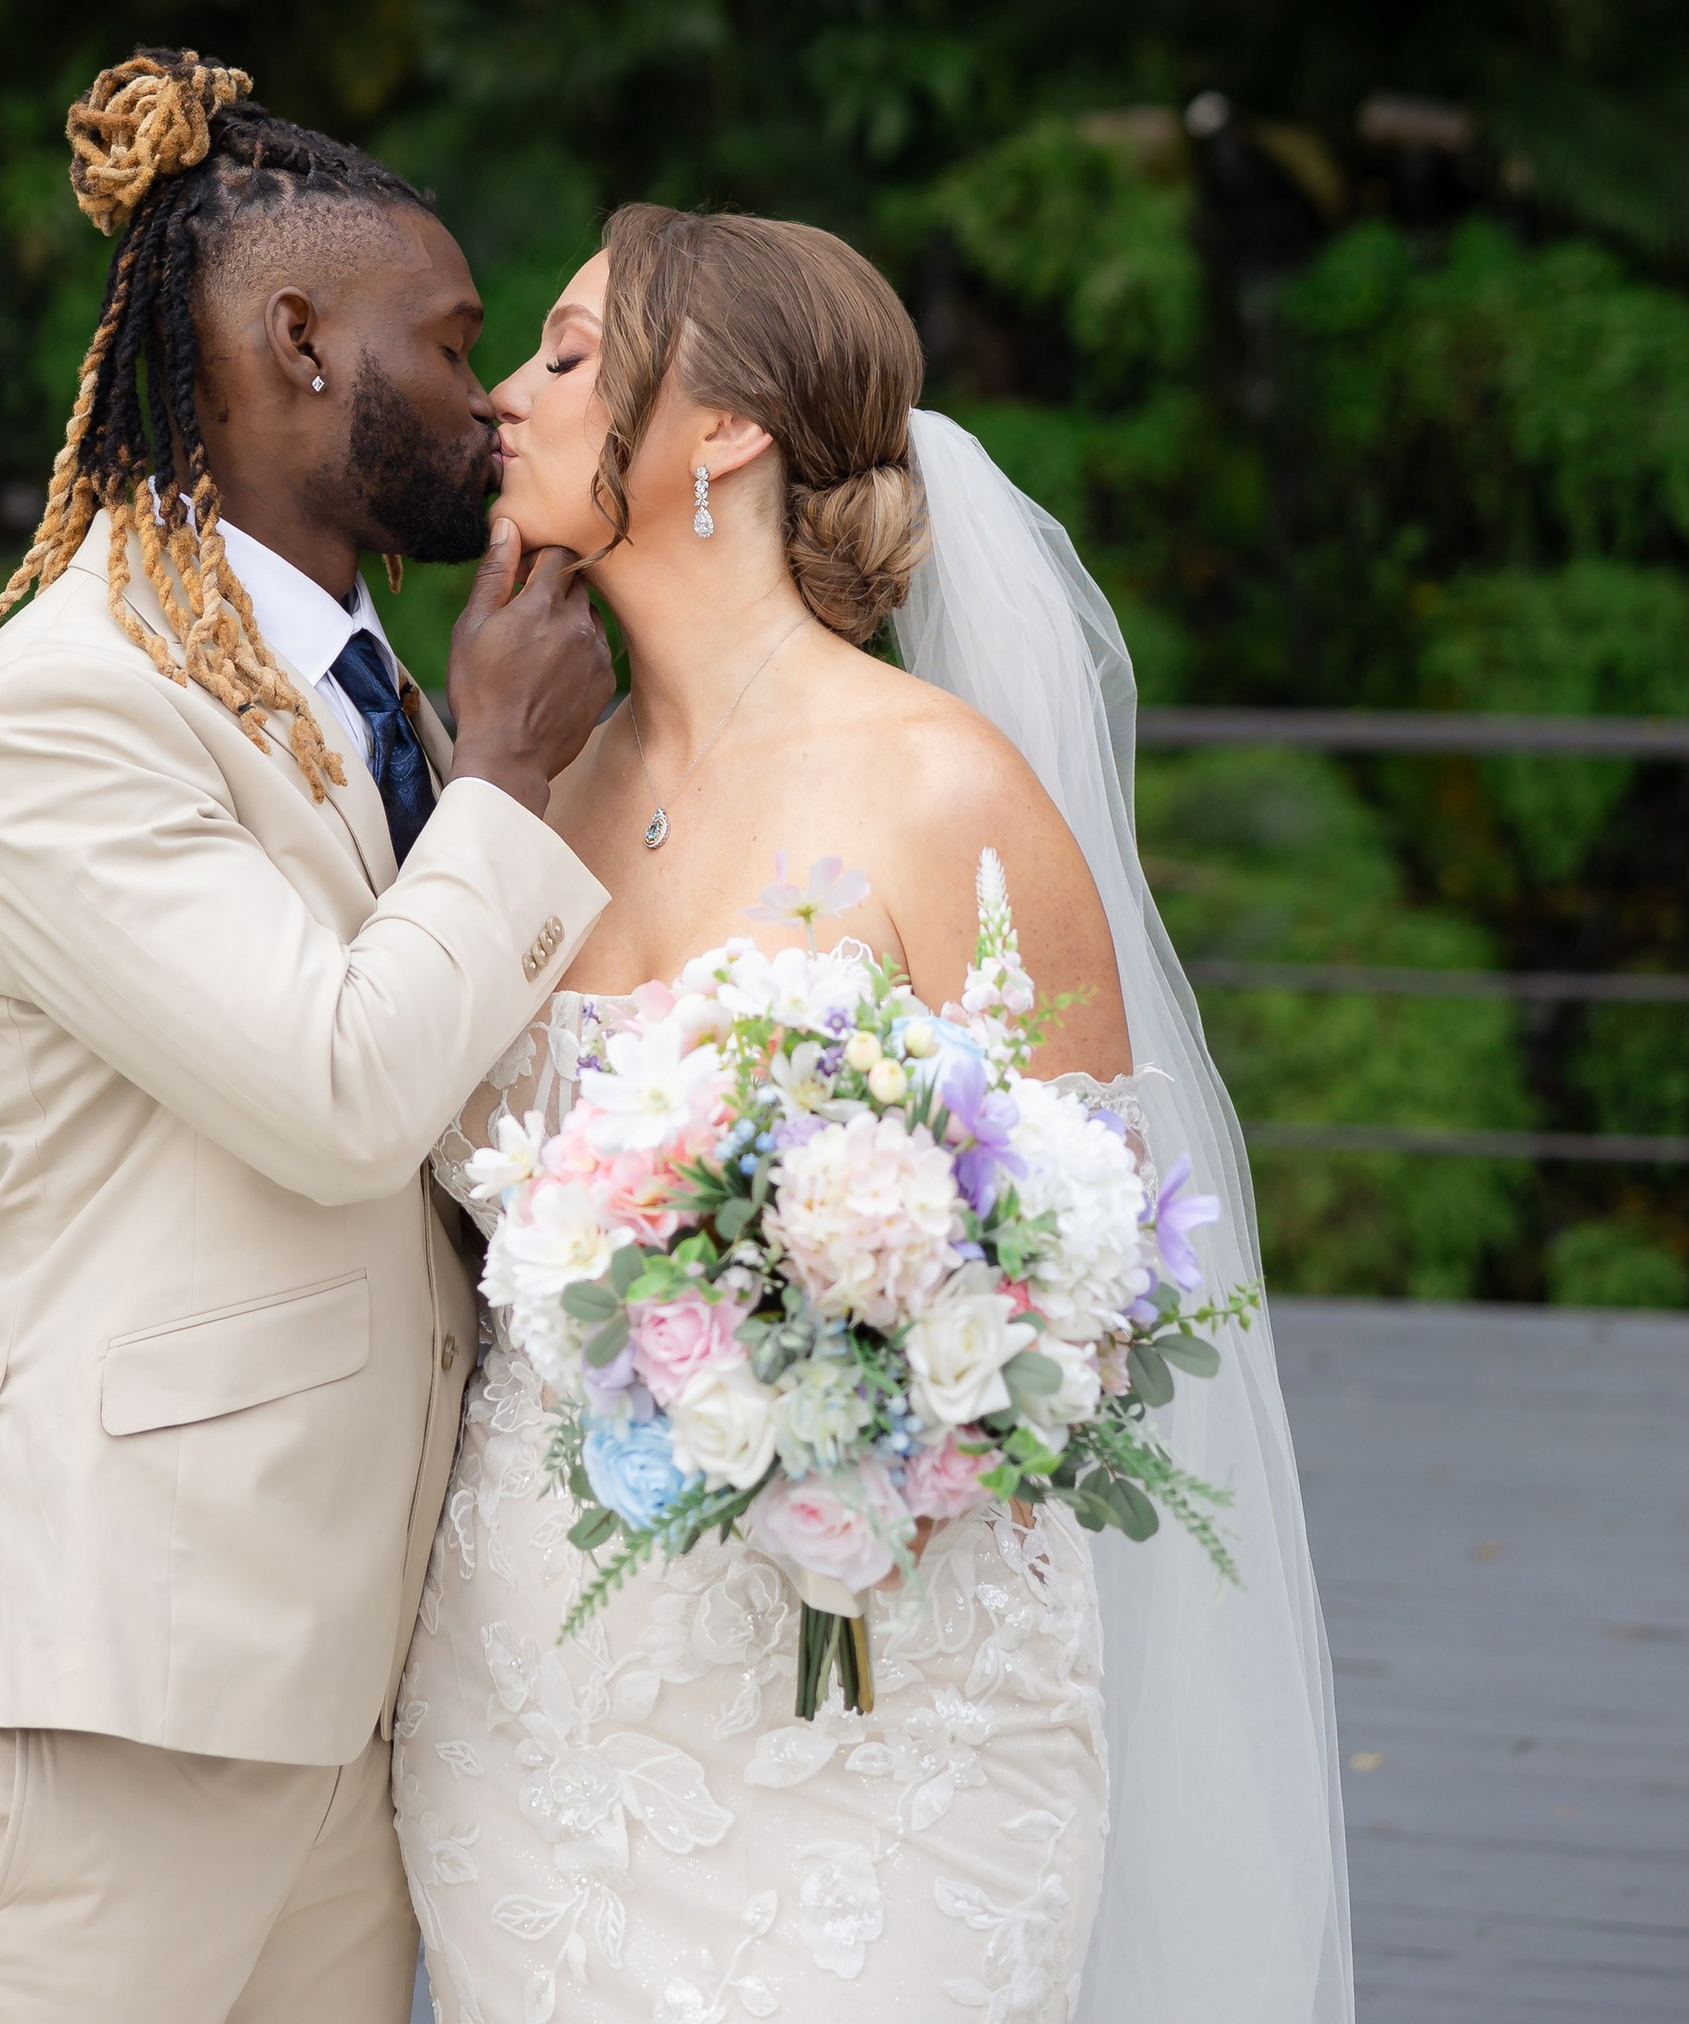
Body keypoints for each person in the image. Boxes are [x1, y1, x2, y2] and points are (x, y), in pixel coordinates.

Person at [395, 205, 1350, 2024]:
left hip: (881, 1715)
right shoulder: (527, 786)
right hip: (531, 1713)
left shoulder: (945, 788)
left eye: (569, 354)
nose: (506, 397)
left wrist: (859, 1355)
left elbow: (1096, 1267)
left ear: (729, 430)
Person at [0, 48, 615, 2023]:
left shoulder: (373, 688)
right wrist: (517, 776)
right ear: (293, 343)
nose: (488, 401)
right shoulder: (67, 704)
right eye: (447, 345)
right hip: (99, 1692)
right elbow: (340, 1093)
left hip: (337, 1685)